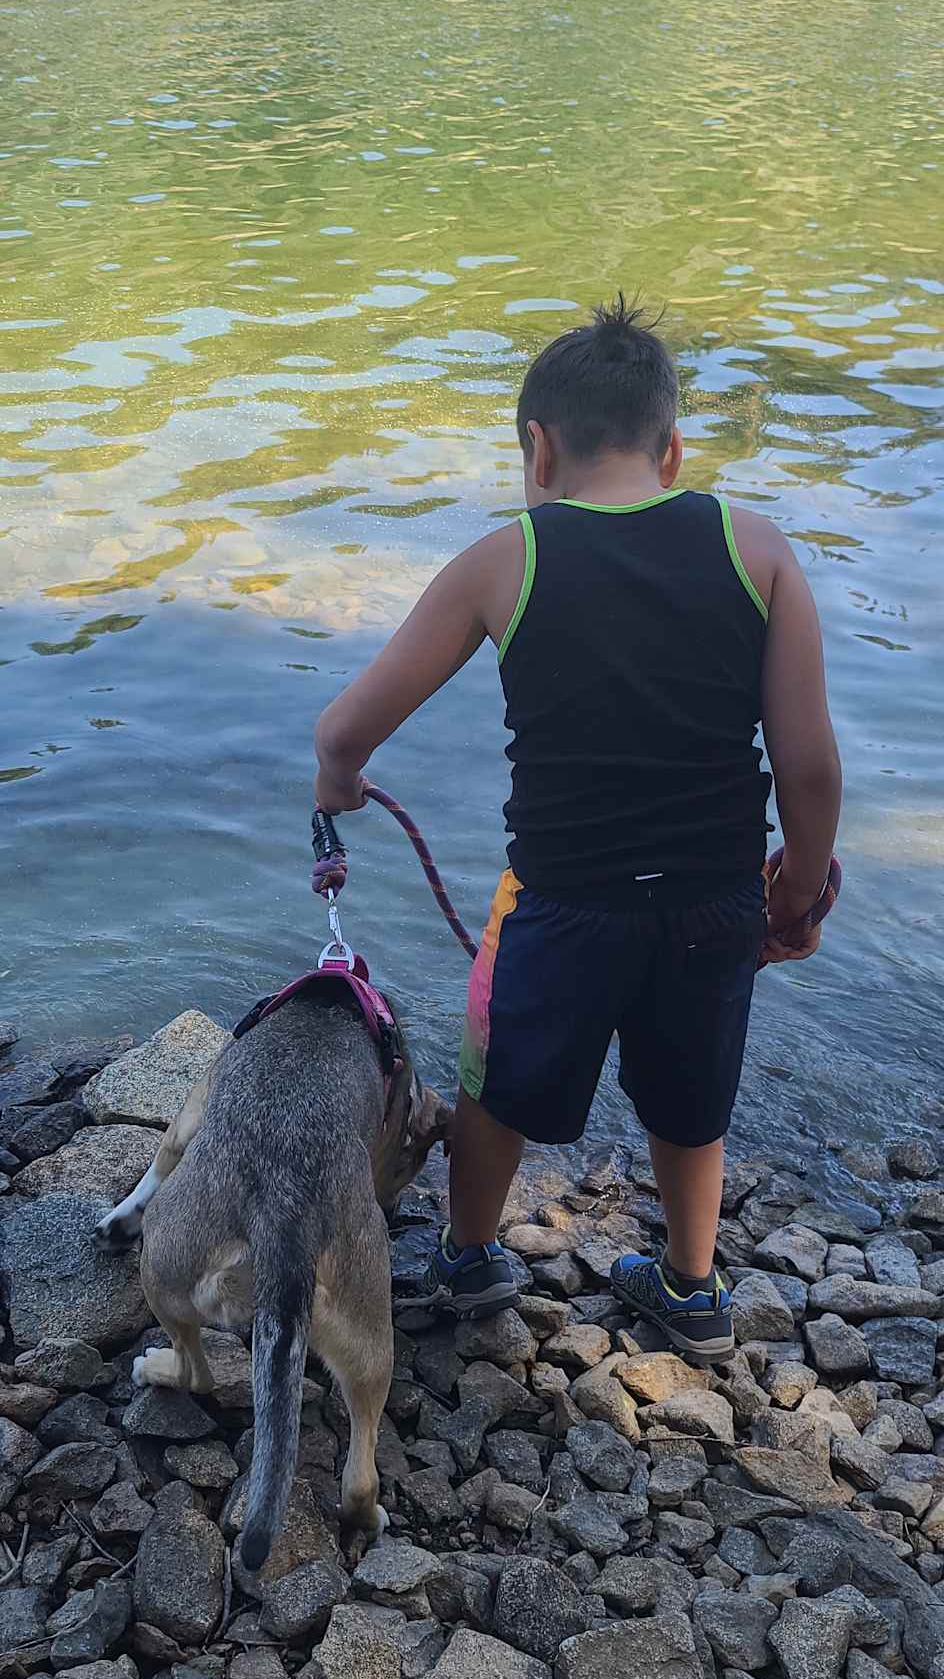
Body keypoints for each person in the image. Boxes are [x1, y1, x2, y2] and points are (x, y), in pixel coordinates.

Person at [313, 296, 842, 1362]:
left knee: (496, 1077)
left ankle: (467, 1260)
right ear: (673, 447)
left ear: (536, 448)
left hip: (559, 905)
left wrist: (338, 779)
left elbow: (348, 725)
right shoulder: (758, 549)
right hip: (712, 899)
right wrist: (795, 890)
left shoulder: (505, 559)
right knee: (691, 1091)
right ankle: (690, 1286)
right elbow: (809, 763)